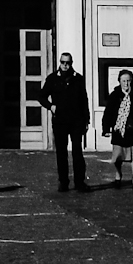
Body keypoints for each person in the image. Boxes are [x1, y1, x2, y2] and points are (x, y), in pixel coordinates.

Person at [36, 51, 89, 191]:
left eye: (68, 63)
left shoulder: (78, 79)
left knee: (77, 151)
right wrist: (51, 106)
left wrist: (86, 120)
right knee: (61, 152)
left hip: (76, 121)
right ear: (59, 62)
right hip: (60, 121)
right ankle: (63, 182)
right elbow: (41, 96)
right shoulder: (52, 78)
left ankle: (79, 182)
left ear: (71, 63)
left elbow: (84, 100)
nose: (65, 65)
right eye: (63, 62)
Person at [100, 68, 133, 189]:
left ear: (132, 81)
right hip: (119, 131)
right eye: (123, 81)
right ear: (119, 81)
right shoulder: (114, 96)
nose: (126, 84)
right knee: (118, 156)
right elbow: (108, 113)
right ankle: (118, 175)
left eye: (128, 81)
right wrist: (105, 128)